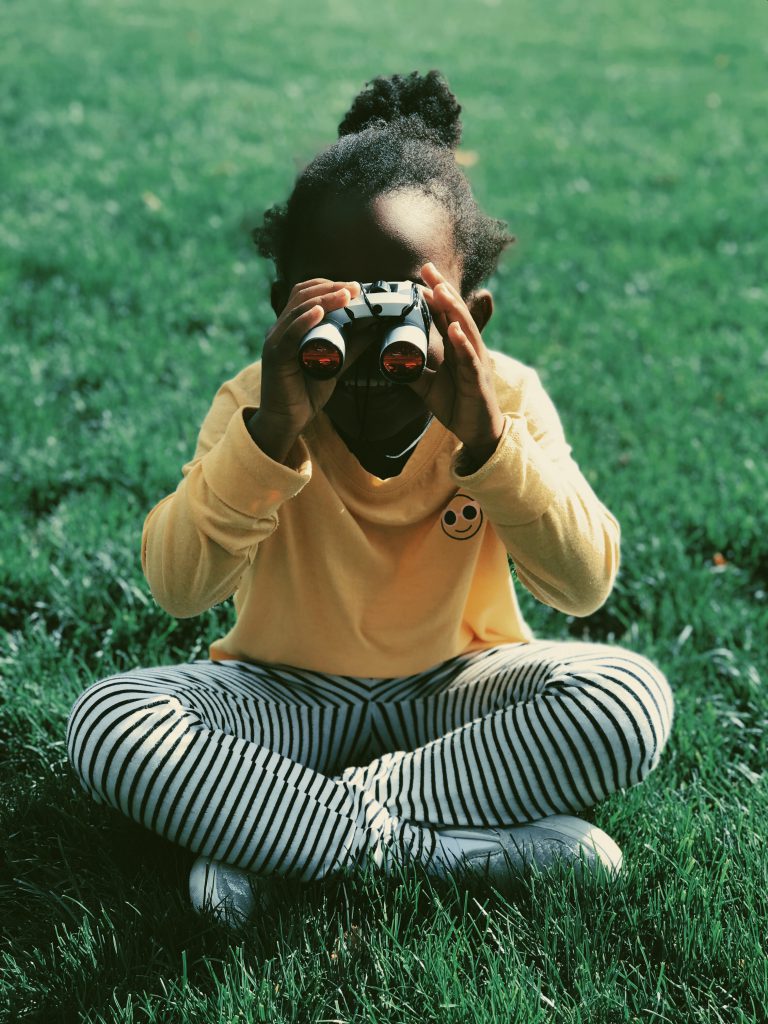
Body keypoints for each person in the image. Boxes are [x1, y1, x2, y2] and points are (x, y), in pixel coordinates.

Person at [65, 70, 673, 929]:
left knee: (625, 699)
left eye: (403, 316)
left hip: (456, 695)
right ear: (285, 310)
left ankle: (271, 830)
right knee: (110, 721)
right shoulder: (254, 403)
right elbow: (178, 589)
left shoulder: (506, 397)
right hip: (283, 695)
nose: (369, 353)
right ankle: (436, 847)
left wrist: (487, 444)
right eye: (339, 316)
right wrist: (271, 435)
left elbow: (583, 585)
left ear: (473, 314)